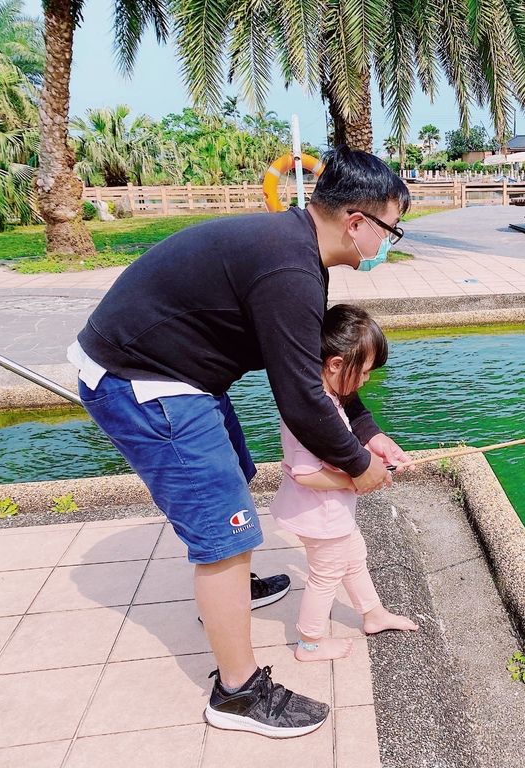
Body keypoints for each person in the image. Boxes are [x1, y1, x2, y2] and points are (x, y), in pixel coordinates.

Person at [68, 146, 412, 739]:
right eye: (391, 229)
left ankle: (230, 592)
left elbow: (313, 367)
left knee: (238, 475)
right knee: (226, 535)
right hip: (144, 381)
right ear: (357, 222)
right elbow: (304, 397)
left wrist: (369, 433)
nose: (391, 243)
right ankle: (236, 693)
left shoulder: (299, 253)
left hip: (178, 374)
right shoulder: (290, 266)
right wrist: (360, 468)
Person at [271, 304, 419, 662]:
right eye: (364, 372)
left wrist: (374, 446)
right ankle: (309, 642)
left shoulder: (326, 396)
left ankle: (373, 614)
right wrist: (354, 480)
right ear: (335, 364)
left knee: (354, 557)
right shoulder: (314, 413)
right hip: (320, 515)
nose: (366, 381)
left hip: (328, 512)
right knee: (326, 575)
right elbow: (305, 472)